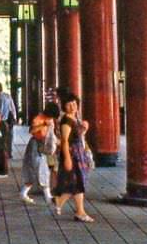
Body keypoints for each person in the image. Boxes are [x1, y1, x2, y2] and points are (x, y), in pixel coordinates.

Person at [53, 94, 94, 222]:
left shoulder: (74, 118)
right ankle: (61, 202)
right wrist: (67, 159)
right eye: (69, 104)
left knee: (77, 183)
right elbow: (65, 141)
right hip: (72, 154)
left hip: (78, 152)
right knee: (76, 182)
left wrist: (84, 129)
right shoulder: (67, 121)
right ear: (64, 106)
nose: (72, 106)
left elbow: (77, 136)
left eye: (74, 103)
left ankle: (78, 210)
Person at [19, 103, 59, 205]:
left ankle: (28, 193)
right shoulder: (39, 118)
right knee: (37, 169)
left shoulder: (50, 120)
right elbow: (32, 130)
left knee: (42, 170)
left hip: (44, 146)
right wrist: (44, 124)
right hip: (35, 145)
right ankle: (46, 196)